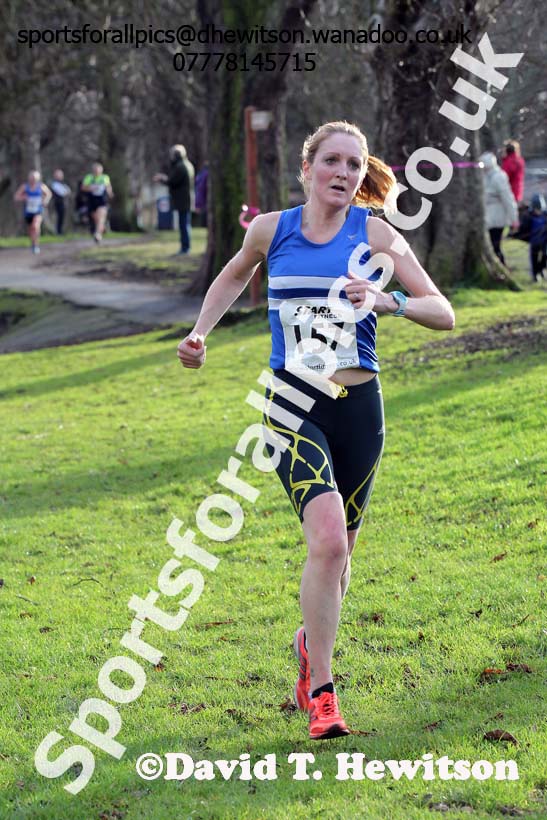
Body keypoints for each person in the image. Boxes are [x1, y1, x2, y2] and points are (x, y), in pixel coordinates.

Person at [177, 121, 455, 740]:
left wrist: (387, 302)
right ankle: (324, 695)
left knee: (341, 555)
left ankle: (309, 645)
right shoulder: (270, 230)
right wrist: (199, 333)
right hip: (293, 402)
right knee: (327, 542)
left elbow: (443, 311)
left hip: (360, 409)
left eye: (354, 165)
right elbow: (233, 274)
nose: (343, 173)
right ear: (307, 168)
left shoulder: (377, 235)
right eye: (332, 161)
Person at [154, 145, 195, 254]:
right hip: (186, 198)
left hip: (183, 200)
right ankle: (185, 247)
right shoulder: (187, 165)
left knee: (184, 225)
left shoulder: (181, 167)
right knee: (185, 224)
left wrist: (162, 179)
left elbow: (172, 181)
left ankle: (185, 248)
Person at [480, 152, 518, 266]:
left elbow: (508, 199)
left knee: (495, 246)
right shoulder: (483, 176)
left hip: (497, 218)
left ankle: (501, 267)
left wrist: (514, 219)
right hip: (487, 217)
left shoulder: (499, 177)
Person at [13, 171, 52, 254]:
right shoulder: (25, 187)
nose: (33, 179)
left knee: (35, 226)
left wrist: (45, 201)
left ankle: (36, 245)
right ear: (29, 178)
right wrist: (23, 197)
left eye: (35, 178)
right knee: (31, 229)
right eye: (32, 178)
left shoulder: (41, 186)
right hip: (28, 211)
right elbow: (16, 196)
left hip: (38, 210)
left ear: (37, 178)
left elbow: (49, 194)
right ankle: (33, 243)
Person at [513, 194, 547, 282]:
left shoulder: (545, 215)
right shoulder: (528, 216)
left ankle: (541, 269)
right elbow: (523, 229)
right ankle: (535, 275)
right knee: (534, 258)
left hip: (545, 242)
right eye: (536, 209)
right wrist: (514, 234)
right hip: (534, 242)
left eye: (540, 209)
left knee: (545, 257)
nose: (538, 211)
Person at [81, 162, 113, 243]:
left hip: (102, 200)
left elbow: (108, 186)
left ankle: (98, 235)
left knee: (101, 217)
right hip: (92, 200)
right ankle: (101, 228)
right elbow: (83, 187)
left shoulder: (104, 177)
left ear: (101, 170)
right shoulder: (89, 177)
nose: (97, 172)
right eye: (95, 170)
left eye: (99, 170)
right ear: (93, 171)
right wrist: (91, 188)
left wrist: (110, 193)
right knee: (96, 219)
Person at [501, 140, 525, 205]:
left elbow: (504, 178)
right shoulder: (519, 160)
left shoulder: (509, 162)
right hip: (518, 192)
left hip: (510, 193)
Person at [49, 169, 71, 235]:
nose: (60, 176)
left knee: (62, 217)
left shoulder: (63, 183)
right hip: (56, 203)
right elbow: (62, 193)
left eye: (61, 175)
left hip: (63, 203)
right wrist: (65, 191)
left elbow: (68, 191)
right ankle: (58, 231)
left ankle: (60, 231)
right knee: (58, 217)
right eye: (58, 175)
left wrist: (66, 191)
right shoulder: (54, 184)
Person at [195, 162, 209, 228]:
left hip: (203, 202)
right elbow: (201, 189)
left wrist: (198, 204)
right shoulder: (205, 174)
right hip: (205, 203)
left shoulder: (201, 174)